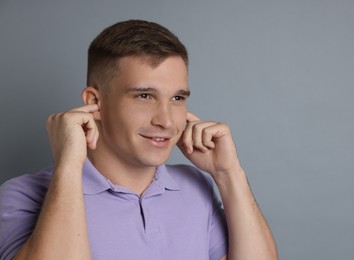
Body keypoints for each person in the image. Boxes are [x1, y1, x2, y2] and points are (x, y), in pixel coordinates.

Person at [0, 20, 278, 260]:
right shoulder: (23, 196)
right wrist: (69, 166)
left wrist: (228, 174)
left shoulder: (196, 187)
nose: (167, 121)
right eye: (144, 96)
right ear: (95, 102)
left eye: (177, 98)